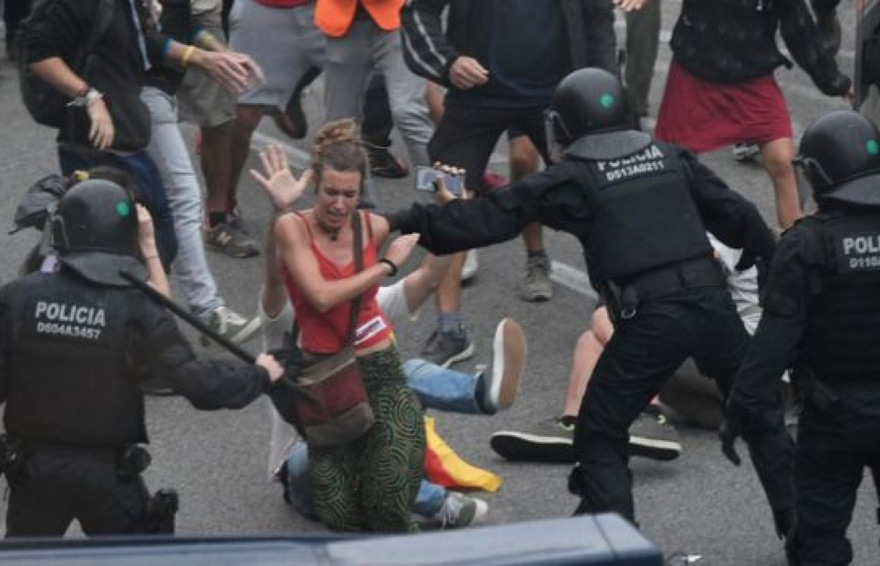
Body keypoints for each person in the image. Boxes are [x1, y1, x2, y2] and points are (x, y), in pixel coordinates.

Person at [385, 68, 795, 533]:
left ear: (563, 127)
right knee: (762, 417)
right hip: (712, 306)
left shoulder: (571, 178)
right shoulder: (669, 156)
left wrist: (403, 220)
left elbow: (490, 219)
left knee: (598, 433)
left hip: (651, 318)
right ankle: (803, 532)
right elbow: (741, 215)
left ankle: (615, 541)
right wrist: (768, 270)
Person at [0, 178, 284, 537]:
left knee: (25, 561)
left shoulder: (18, 298)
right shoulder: (137, 305)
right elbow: (197, 383)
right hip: (107, 477)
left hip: (34, 474)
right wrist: (258, 376)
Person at [400, 0, 616, 366]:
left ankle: (614, 310)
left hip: (556, 97)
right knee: (449, 201)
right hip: (475, 99)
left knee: (600, 193)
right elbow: (418, 11)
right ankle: (450, 330)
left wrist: (604, 88)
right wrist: (448, 63)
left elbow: (598, 18)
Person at [723, 110, 880, 565]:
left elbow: (774, 343)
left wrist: (740, 411)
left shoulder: (807, 244)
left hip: (834, 414)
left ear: (818, 175)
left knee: (819, 540)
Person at [261, 121, 426, 533]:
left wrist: (454, 204)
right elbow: (319, 295)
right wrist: (386, 266)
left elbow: (438, 250)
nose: (338, 203)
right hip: (327, 382)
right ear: (314, 184)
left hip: (380, 371)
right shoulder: (292, 226)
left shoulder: (373, 227)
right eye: (330, 192)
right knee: (339, 512)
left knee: (390, 496)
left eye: (349, 194)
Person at [21, 0, 262, 267]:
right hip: (94, 136)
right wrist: (90, 97)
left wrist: (212, 54)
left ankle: (149, 287)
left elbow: (153, 33)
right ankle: (49, 281)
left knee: (156, 232)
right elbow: (39, 53)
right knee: (97, 235)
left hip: (127, 127)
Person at [491, 236, 763, 464]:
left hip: (748, 382)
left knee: (654, 323)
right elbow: (603, 315)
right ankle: (574, 425)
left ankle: (650, 417)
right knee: (592, 339)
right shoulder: (643, 239)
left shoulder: (707, 235)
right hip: (713, 397)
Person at [654, 0, 851, 230]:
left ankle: (795, 244)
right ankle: (669, 242)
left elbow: (798, 27)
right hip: (693, 74)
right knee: (670, 169)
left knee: (783, 163)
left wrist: (833, 80)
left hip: (752, 79)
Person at [141, 0, 262, 341]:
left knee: (146, 201)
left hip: (152, 89)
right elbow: (136, 37)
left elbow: (178, 22)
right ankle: (207, 311)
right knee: (182, 196)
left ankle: (138, 317)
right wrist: (201, 58)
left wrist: (218, 52)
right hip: (130, 91)